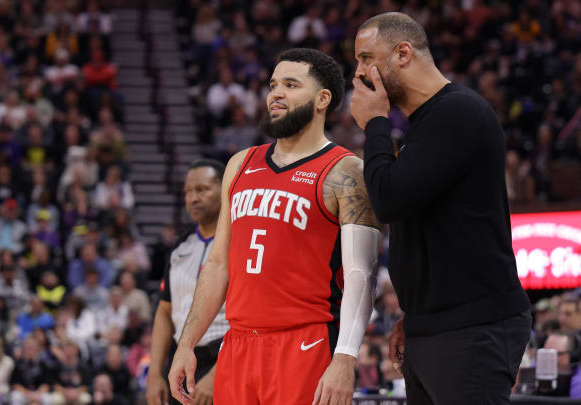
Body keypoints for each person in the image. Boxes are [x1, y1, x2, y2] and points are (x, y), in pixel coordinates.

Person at [168, 48, 381, 405]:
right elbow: (218, 264)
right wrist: (186, 344)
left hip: (305, 344)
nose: (275, 93)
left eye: (291, 84)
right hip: (237, 345)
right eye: (272, 85)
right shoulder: (240, 164)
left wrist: (345, 358)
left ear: (322, 99)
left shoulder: (346, 171)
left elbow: (363, 274)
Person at [349, 12, 531, 404]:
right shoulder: (429, 122)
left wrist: (375, 125)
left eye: (366, 58)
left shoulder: (458, 113)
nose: (359, 73)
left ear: (403, 53)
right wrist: (416, 316)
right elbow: (428, 224)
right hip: (437, 326)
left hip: (473, 327)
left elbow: (389, 201)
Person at [147, 160, 229, 405]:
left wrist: (218, 374)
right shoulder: (179, 248)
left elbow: (252, 316)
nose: (193, 198)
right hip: (182, 360)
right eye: (188, 192)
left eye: (202, 189)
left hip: (224, 357)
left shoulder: (241, 245)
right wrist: (154, 375)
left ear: (224, 189)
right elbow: (164, 312)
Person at [541, 332, 581, 399]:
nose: (548, 359)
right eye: (545, 354)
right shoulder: (544, 378)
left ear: (573, 357)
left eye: (556, 354)